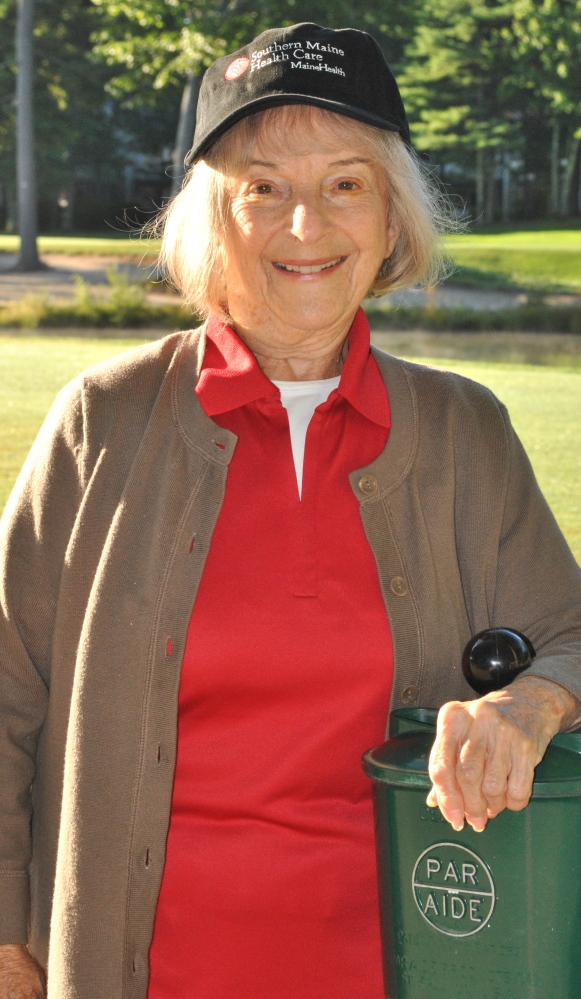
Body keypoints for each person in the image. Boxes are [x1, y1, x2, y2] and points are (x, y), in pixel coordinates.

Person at [1, 22, 580, 999]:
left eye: (344, 185)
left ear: (391, 221)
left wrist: (528, 706)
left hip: (413, 970)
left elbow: (568, 633)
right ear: (207, 219)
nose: (303, 226)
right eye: (259, 187)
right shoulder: (103, 421)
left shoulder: (461, 432)